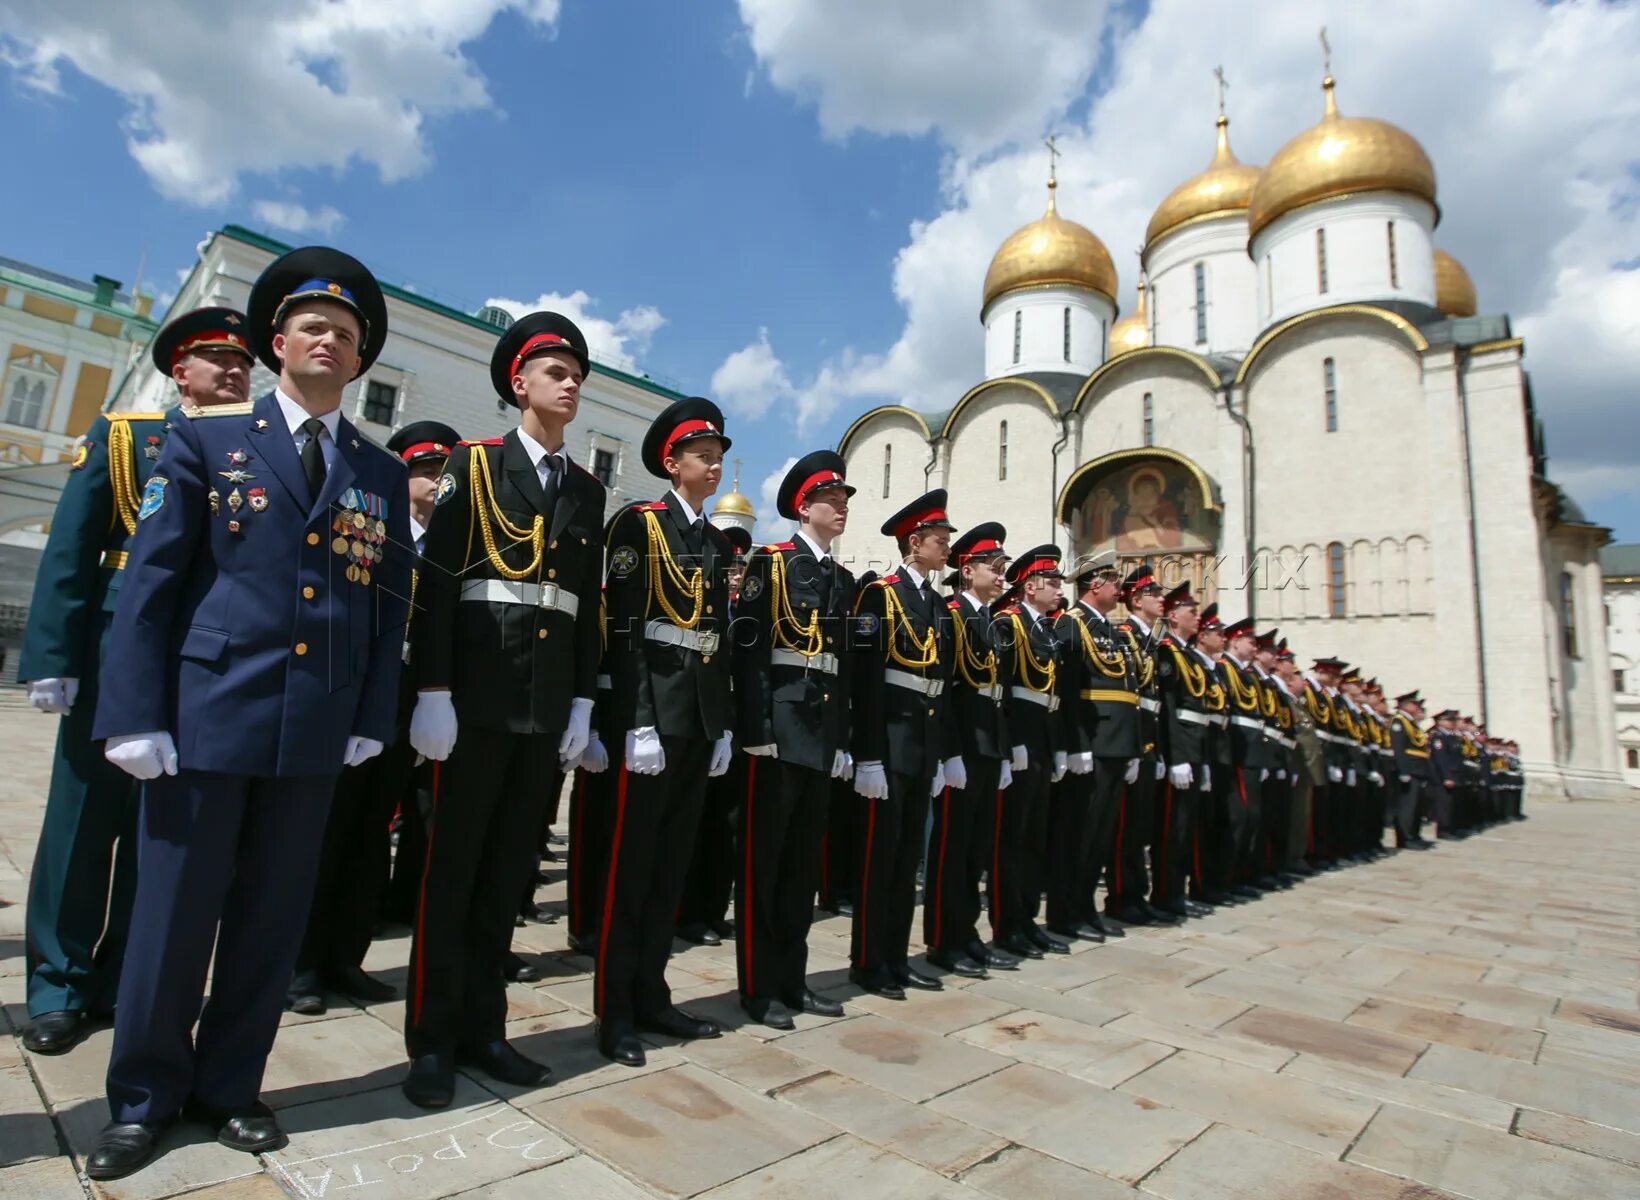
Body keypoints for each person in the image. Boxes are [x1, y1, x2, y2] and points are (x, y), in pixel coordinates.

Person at [87, 247, 410, 1179]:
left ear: (359, 363)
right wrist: (133, 714)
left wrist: (370, 714)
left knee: (271, 922)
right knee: (172, 919)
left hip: (312, 729)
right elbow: (153, 587)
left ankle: (230, 1087)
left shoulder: (378, 475)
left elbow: (386, 612)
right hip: (205, 718)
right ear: (278, 344)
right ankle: (143, 1099)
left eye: (346, 336)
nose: (329, 342)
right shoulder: (201, 442)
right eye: (314, 327)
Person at [17, 308, 253, 1057]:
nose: (232, 370)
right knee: (84, 821)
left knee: (159, 834)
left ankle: (123, 978)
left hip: (198, 662)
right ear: (178, 370)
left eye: (243, 361)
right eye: (214, 357)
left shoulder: (248, 453)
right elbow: (72, 550)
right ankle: (59, 983)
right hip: (114, 648)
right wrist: (54, 656)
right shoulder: (127, 439)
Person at [399, 312, 603, 1106]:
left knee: (506, 880)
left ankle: (486, 1029)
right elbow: (438, 585)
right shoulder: (471, 466)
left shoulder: (586, 491)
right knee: (449, 877)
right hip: (474, 702)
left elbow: (585, 608)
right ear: (519, 384)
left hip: (543, 710)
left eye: (578, 374)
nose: (571, 383)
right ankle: (431, 1040)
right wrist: (433, 692)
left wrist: (583, 700)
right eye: (557, 372)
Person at [287, 419, 462, 1016]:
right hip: (354, 697)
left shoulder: (450, 546)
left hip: (407, 701)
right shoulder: (371, 527)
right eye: (427, 472)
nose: (437, 485)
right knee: (326, 831)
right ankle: (301, 963)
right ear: (403, 475)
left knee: (369, 837)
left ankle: (346, 957)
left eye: (445, 474)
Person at [596, 397, 736, 1066]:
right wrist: (638, 722)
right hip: (653, 717)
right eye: (703, 456)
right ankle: (615, 1010)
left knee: (670, 870)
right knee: (631, 870)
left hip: (699, 720)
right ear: (672, 462)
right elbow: (624, 629)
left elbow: (716, 640)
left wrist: (724, 726)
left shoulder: (714, 542)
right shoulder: (639, 526)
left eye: (719, 457)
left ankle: (652, 993)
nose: (714, 466)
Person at [730, 451, 857, 1028]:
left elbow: (845, 666)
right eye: (833, 500)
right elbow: (749, 653)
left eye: (847, 500)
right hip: (777, 730)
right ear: (805, 508)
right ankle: (759, 988)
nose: (843, 508)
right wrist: (755, 730)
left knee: (803, 866)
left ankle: (793, 979)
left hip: (821, 733)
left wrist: (846, 740)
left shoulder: (844, 578)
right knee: (765, 863)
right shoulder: (772, 563)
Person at [848, 490, 957, 999]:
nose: (947, 549)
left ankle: (895, 955)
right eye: (940, 540)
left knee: (907, 858)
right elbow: (867, 680)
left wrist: (939, 754)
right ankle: (869, 961)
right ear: (914, 543)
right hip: (888, 745)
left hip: (921, 747)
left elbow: (943, 685)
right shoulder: (880, 595)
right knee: (879, 860)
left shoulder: (937, 604)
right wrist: (867, 754)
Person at [923, 522, 1014, 980]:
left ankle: (967, 934)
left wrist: (1001, 753)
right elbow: (949, 690)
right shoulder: (953, 613)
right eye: (994, 567)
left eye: (1003, 568)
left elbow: (995, 691)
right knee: (951, 849)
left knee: (975, 850)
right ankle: (944, 938)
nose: (1002, 576)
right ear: (967, 568)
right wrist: (949, 752)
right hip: (962, 745)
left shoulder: (989, 620)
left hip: (986, 746)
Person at [1052, 552, 1140, 940]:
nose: (1119, 587)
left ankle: (1085, 905)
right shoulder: (1073, 625)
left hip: (1117, 745)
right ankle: (1066, 911)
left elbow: (1126, 691)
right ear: (1094, 585)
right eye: (1113, 580)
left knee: (1101, 834)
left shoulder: (1111, 631)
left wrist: (1134, 747)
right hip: (1091, 745)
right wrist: (1075, 744)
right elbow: (1069, 691)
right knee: (1079, 834)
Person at [676, 523, 754, 948]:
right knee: (696, 822)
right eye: (729, 568)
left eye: (739, 568)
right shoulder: (701, 606)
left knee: (726, 823)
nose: (735, 576)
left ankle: (712, 909)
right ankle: (687, 912)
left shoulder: (745, 613)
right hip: (701, 719)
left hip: (732, 726)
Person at [990, 547, 1068, 959]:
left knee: (1035, 837)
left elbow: (1050, 694)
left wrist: (1055, 748)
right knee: (1013, 838)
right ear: (1031, 586)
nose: (1058, 589)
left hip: (1041, 739)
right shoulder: (1008, 623)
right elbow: (1001, 687)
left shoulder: (1045, 629)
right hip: (1020, 739)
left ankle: (1027, 919)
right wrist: (1012, 741)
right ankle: (1007, 924)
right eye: (1052, 582)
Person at [1107, 564, 1176, 926]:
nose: (1162, 600)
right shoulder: (1123, 634)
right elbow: (1127, 696)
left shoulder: (1150, 640)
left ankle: (1137, 893)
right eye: (1155, 594)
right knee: (1125, 827)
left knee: (1140, 827)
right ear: (1136, 600)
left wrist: (1158, 750)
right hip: (1131, 740)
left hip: (1148, 742)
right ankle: (1122, 895)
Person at [1152, 583, 1208, 918]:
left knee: (1186, 827)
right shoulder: (1167, 651)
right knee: (1172, 828)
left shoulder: (1185, 653)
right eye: (1192, 611)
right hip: (1179, 750)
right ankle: (1165, 893)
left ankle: (1177, 890)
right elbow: (1169, 707)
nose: (1197, 617)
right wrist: (1175, 757)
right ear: (1174, 616)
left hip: (1194, 747)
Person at [1216, 618, 1269, 900]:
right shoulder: (1224, 669)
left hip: (1251, 753)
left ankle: (1240, 877)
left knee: (1252, 818)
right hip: (1237, 751)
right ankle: (1227, 879)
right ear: (1234, 641)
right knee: (1238, 819)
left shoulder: (1247, 675)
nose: (1255, 647)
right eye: (1251, 641)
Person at [1390, 691, 1435, 850]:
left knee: (1417, 806)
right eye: (1415, 704)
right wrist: (1403, 771)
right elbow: (1398, 748)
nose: (1418, 708)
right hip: (1409, 768)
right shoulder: (1398, 722)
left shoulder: (1412, 723)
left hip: (1418, 769)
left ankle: (1414, 834)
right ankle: (1405, 837)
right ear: (1406, 705)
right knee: (1407, 807)